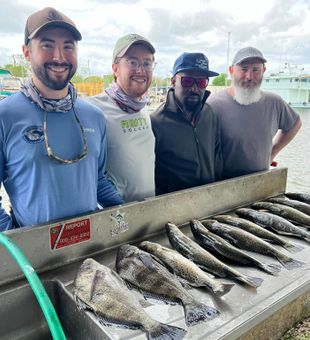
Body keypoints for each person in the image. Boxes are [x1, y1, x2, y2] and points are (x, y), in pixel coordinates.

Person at [0, 7, 123, 231]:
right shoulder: (5, 116)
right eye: (47, 45)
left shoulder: (94, 116)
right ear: (26, 52)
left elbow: (98, 180)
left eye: (68, 46)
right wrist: (13, 242)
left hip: (88, 248)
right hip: (32, 256)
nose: (59, 56)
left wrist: (129, 218)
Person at [208, 46, 302, 180]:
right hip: (223, 185)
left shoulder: (274, 102)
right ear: (231, 70)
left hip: (261, 183)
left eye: (256, 70)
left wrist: (273, 151)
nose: (250, 76)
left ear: (264, 71)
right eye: (244, 69)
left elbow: (295, 124)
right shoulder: (213, 104)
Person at [88, 34, 156, 202]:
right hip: (116, 218)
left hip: (149, 212)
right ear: (115, 68)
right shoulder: (93, 109)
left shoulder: (142, 107)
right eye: (132, 62)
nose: (140, 70)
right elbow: (89, 175)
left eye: (147, 63)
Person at [150, 52, 223, 195]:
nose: (194, 88)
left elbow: (218, 158)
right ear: (173, 81)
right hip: (175, 209)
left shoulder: (211, 114)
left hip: (211, 201)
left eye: (201, 82)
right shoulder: (156, 122)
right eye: (187, 81)